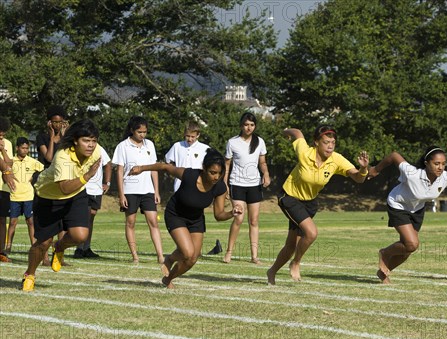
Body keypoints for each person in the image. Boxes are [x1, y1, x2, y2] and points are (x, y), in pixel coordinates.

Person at [266, 126, 370, 285]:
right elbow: (298, 133)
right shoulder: (305, 152)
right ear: (316, 142)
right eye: (326, 142)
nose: (330, 146)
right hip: (289, 197)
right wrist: (285, 132)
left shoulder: (336, 159)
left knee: (291, 245)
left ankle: (272, 271)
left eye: (333, 143)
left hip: (309, 203)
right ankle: (296, 263)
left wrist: (363, 169)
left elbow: (358, 178)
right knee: (311, 233)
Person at [128, 149, 242, 288]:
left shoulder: (220, 187)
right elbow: (165, 167)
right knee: (187, 252)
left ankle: (168, 278)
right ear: (204, 169)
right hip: (176, 214)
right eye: (212, 172)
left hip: (196, 219)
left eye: (220, 173)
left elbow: (219, 215)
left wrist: (232, 213)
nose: (216, 177)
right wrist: (141, 168)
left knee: (193, 258)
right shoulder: (189, 175)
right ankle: (169, 259)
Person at [368, 147, 447, 284]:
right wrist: (376, 170)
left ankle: (383, 272)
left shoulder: (446, 177)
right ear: (426, 163)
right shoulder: (412, 173)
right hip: (398, 205)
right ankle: (385, 253)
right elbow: (394, 155)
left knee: (407, 250)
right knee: (412, 244)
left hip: (417, 209)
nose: (440, 167)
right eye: (436, 163)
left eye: (443, 164)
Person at [21, 119, 102, 291]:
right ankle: (30, 274)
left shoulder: (97, 152)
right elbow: (65, 188)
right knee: (43, 243)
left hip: (77, 194)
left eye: (94, 141)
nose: (91, 145)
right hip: (48, 198)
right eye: (86, 141)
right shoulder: (62, 156)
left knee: (80, 236)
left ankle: (60, 247)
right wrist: (87, 176)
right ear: (75, 140)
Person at [112, 116, 164, 264]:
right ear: (132, 130)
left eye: (145, 132)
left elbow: (154, 168)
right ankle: (135, 256)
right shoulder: (123, 146)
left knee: (153, 221)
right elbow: (120, 171)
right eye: (139, 132)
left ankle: (160, 256)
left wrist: (156, 191)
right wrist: (121, 195)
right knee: (131, 222)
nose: (142, 135)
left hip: (147, 190)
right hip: (130, 190)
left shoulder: (150, 145)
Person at [223, 112, 271, 264]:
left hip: (254, 185)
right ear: (241, 125)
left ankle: (254, 256)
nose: (249, 127)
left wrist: (266, 174)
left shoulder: (260, 142)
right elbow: (227, 165)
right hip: (237, 184)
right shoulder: (232, 142)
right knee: (238, 218)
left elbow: (262, 162)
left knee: (254, 220)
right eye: (246, 124)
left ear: (255, 126)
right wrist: (224, 184)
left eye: (251, 125)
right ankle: (228, 253)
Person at [36, 105, 70, 266]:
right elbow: (49, 158)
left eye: (61, 122)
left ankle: (59, 256)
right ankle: (44, 258)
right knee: (47, 221)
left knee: (63, 221)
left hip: (62, 179)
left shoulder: (67, 138)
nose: (58, 125)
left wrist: (65, 137)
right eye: (55, 122)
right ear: (49, 122)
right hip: (48, 182)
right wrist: (52, 138)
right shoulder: (42, 137)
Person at [6, 138, 45, 253]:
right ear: (17, 148)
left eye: (27, 148)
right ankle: (8, 247)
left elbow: (44, 170)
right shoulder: (11, 161)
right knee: (13, 222)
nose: (25, 150)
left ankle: (34, 246)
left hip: (28, 196)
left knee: (30, 222)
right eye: (23, 148)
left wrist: (35, 177)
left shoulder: (32, 161)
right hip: (14, 196)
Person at [73, 144, 111, 258]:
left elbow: (108, 164)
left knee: (91, 217)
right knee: (83, 217)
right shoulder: (78, 147)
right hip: (82, 187)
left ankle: (86, 247)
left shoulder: (99, 148)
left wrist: (107, 183)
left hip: (96, 189)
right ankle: (79, 248)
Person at [165, 121, 210, 192]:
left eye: (193, 137)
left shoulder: (205, 148)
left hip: (197, 187)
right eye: (187, 136)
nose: (190, 139)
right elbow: (168, 162)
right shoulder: (177, 146)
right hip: (179, 186)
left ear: (198, 135)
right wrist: (175, 172)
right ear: (184, 134)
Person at [0, 117, 14, 262]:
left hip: (3, 188)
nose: (1, 137)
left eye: (3, 135)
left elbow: (9, 163)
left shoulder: (8, 144)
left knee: (2, 219)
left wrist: (3, 150)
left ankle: (2, 251)